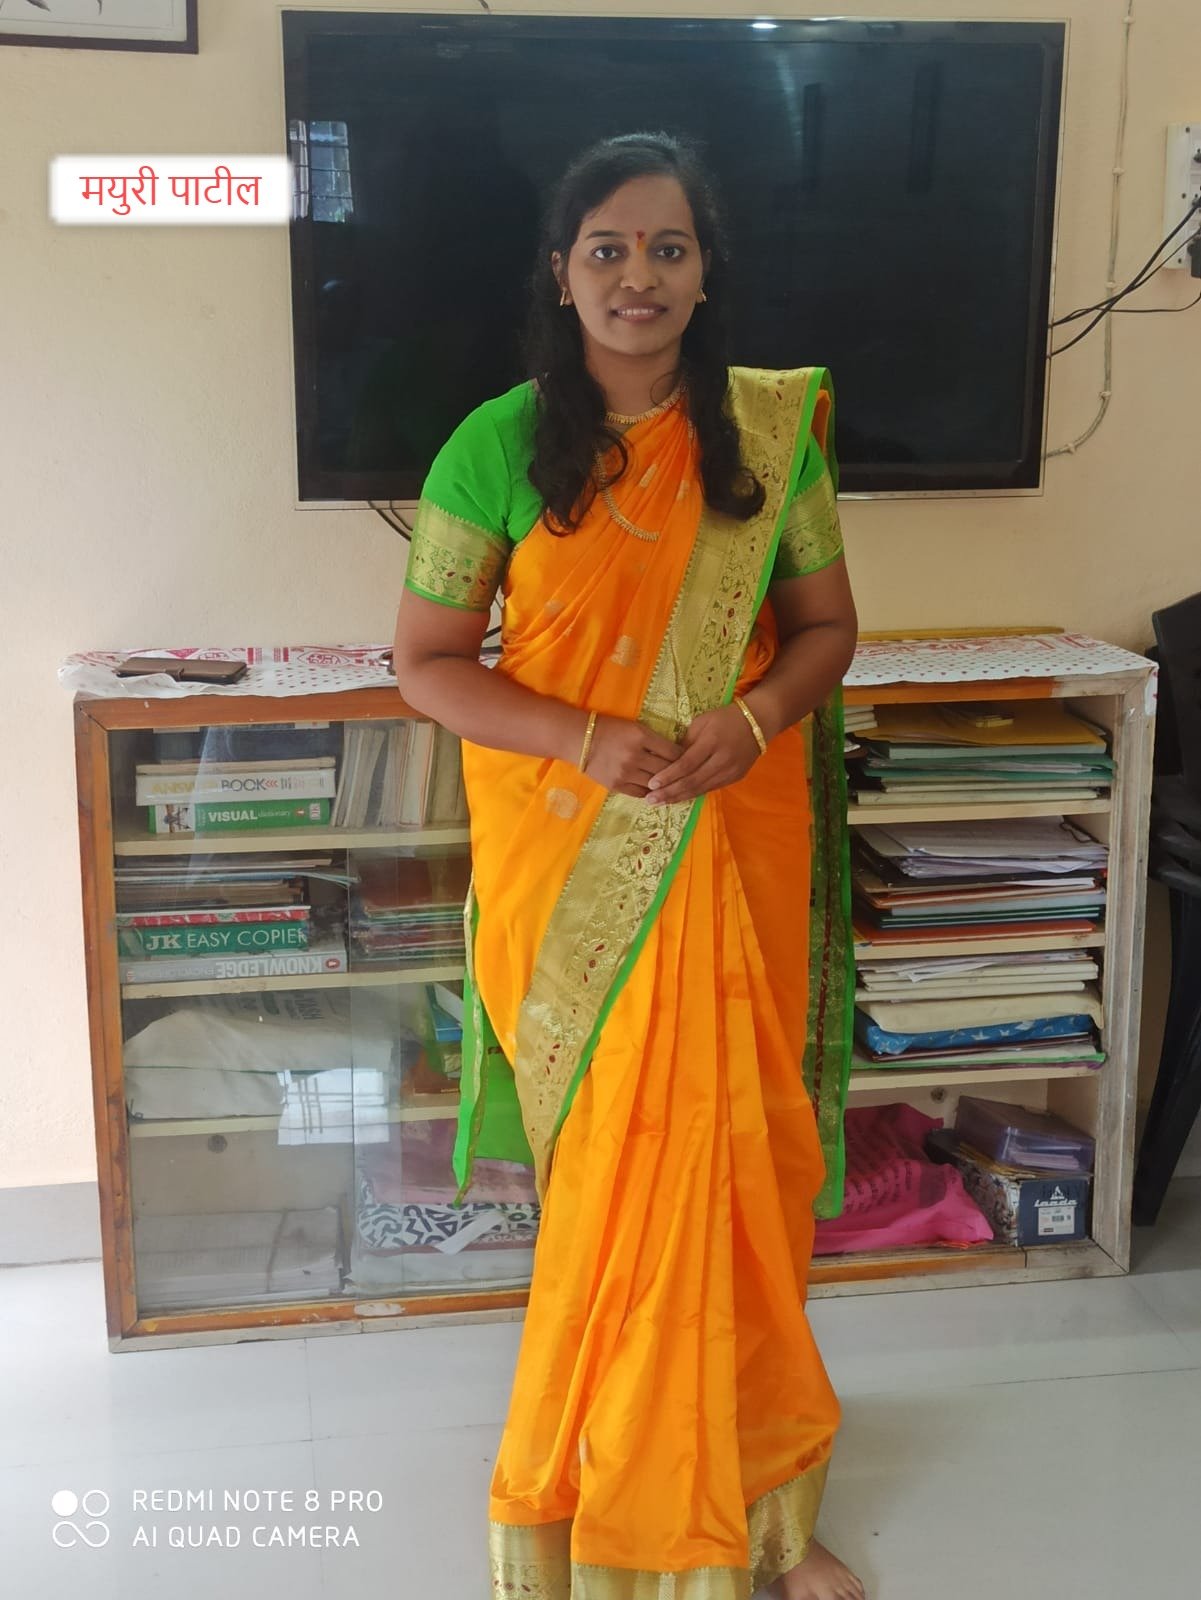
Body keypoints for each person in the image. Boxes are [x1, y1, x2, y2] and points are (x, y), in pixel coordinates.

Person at [392, 130, 863, 1600]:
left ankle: (755, 1508)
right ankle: (609, 1501)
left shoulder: (767, 438)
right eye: (608, 248)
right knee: (615, 1191)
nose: (638, 275)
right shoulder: (492, 445)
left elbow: (825, 631)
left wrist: (755, 716)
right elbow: (425, 665)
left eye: (668, 247)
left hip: (726, 841)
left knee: (730, 1174)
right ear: (562, 272)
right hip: (573, 859)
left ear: (705, 272)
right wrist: (584, 739)